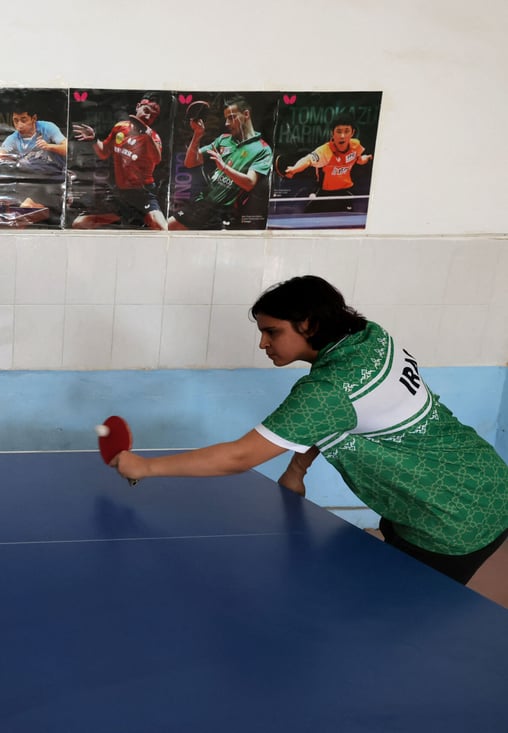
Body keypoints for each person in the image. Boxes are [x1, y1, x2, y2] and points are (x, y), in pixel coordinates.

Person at [109, 275, 508, 590]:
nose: (262, 343)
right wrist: (297, 472)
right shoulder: (370, 338)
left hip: (446, 516)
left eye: (272, 332)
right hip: (482, 477)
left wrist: (143, 466)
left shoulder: (326, 392)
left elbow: (239, 457)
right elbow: (342, 416)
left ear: (309, 324)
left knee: (409, 622)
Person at [168, 95, 272, 230]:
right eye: (226, 118)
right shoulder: (223, 139)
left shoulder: (262, 149)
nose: (227, 123)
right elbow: (190, 163)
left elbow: (249, 183)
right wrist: (197, 135)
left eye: (232, 117)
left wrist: (223, 167)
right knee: (165, 229)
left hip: (225, 211)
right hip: (203, 203)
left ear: (246, 114)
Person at [71, 96, 168, 231]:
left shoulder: (153, 137)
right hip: (119, 194)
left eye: (153, 116)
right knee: (79, 223)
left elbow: (157, 158)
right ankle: (128, 217)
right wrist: (93, 139)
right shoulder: (120, 127)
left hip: (142, 194)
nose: (148, 116)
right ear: (138, 106)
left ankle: (138, 217)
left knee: (162, 228)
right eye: (146, 110)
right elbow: (104, 152)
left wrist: (148, 135)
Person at [281, 115, 373, 213]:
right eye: (338, 131)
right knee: (308, 219)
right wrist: (294, 169)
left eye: (346, 131)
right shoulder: (325, 151)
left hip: (345, 193)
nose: (342, 136)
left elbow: (358, 160)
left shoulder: (355, 145)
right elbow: (307, 160)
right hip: (323, 194)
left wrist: (366, 158)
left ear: (352, 133)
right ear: (332, 133)